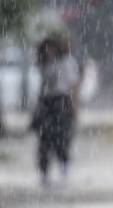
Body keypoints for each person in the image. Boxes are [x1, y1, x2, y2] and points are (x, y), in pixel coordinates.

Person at [33, 34, 80, 186]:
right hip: (46, 103)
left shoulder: (68, 62)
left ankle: (64, 165)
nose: (50, 51)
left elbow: (73, 86)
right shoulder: (44, 64)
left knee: (61, 137)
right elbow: (42, 85)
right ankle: (44, 171)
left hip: (61, 101)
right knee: (44, 139)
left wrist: (74, 106)